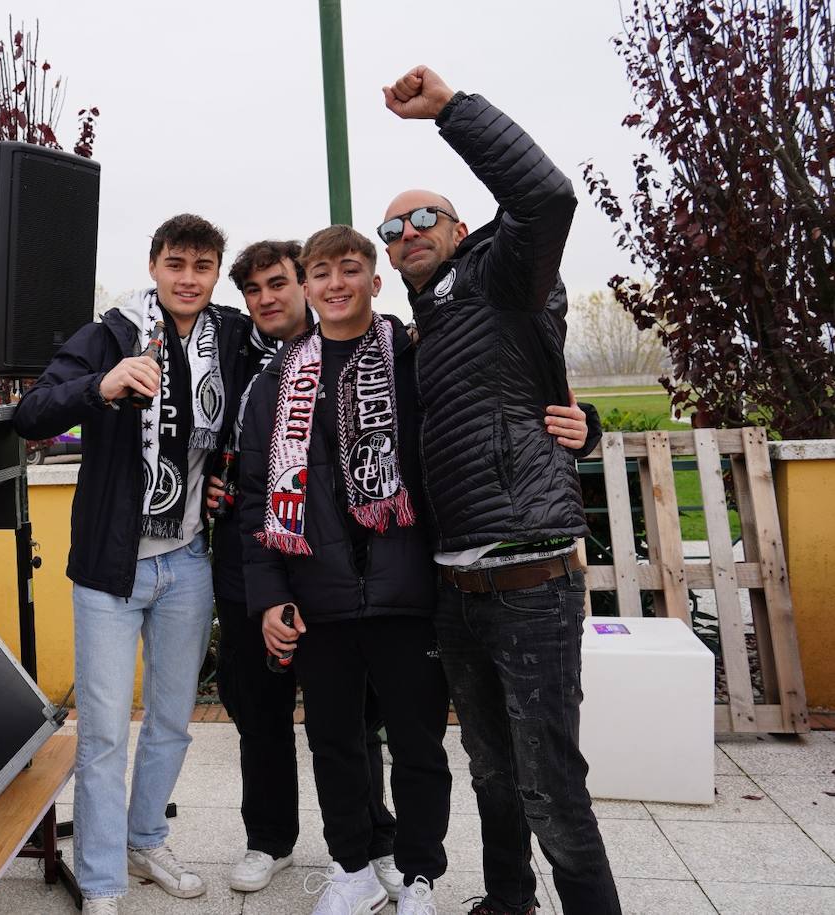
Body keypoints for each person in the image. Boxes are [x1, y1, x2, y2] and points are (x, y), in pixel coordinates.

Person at [379, 65, 621, 915]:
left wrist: (452, 112)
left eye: (423, 218)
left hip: (529, 574)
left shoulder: (502, 278)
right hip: (458, 584)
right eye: (392, 228)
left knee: (552, 783)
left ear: (460, 226)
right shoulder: (427, 328)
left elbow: (548, 196)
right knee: (491, 772)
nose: (407, 232)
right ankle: (507, 902)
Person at [12, 214, 252, 915]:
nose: (188, 277)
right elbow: (30, 412)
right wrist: (103, 385)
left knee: (174, 718)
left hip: (189, 560)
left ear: (213, 273)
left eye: (202, 266)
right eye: (176, 263)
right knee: (108, 728)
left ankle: (146, 839)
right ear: (154, 266)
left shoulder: (230, 335)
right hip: (112, 569)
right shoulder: (111, 334)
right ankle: (103, 878)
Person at [240, 225, 453, 915]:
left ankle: (419, 876)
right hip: (318, 595)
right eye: (322, 272)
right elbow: (254, 496)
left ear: (374, 280)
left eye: (350, 269)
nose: (335, 283)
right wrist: (271, 595)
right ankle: (353, 868)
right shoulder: (278, 379)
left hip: (406, 591)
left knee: (419, 746)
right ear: (307, 286)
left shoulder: (411, 358)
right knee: (333, 744)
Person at [212, 239, 404, 900]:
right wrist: (213, 480)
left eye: (277, 283)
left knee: (351, 719)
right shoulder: (235, 358)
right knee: (259, 714)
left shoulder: (367, 352)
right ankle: (270, 838)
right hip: (253, 562)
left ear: (306, 285)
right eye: (253, 290)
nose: (266, 298)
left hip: (334, 569)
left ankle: (373, 841)